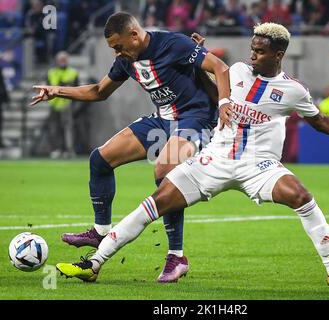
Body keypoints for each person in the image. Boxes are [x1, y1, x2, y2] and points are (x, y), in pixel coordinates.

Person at [55, 23, 329, 288]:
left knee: (302, 197)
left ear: (278, 55)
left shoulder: (293, 91)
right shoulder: (235, 71)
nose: (253, 56)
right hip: (214, 161)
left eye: (260, 51)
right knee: (155, 202)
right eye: (252, 49)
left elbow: (322, 122)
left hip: (258, 167)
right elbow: (208, 91)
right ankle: (94, 264)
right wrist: (194, 62)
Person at [30, 12, 231, 283]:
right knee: (100, 158)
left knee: (165, 173)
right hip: (162, 120)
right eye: (113, 48)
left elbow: (220, 67)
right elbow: (99, 91)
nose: (116, 52)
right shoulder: (125, 60)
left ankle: (176, 256)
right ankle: (101, 231)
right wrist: (57, 91)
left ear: (134, 35)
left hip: (195, 118)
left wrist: (224, 105)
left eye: (118, 46)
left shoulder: (174, 44)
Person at [47, 51, 79, 159]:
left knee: (68, 128)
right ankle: (57, 149)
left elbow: (78, 89)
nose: (62, 62)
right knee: (55, 129)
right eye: (60, 60)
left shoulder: (73, 72)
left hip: (67, 105)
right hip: (54, 104)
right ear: (57, 61)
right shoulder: (51, 72)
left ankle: (69, 150)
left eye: (64, 59)